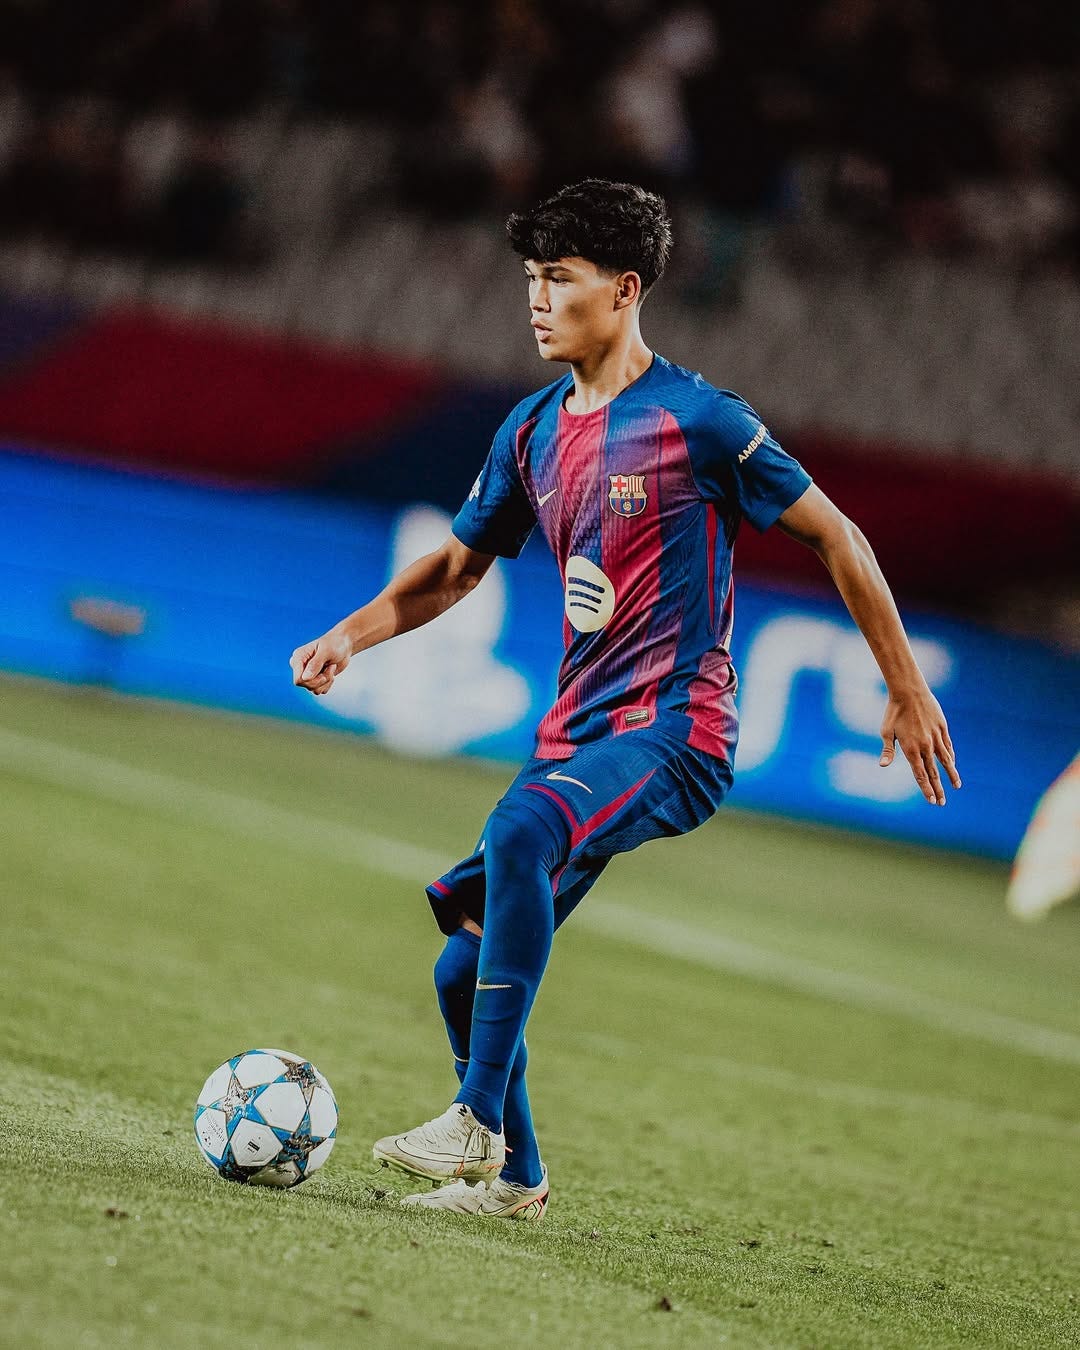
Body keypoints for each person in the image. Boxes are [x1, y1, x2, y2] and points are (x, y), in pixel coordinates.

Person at [289, 179, 961, 1221]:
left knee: (520, 832)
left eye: (559, 278)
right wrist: (350, 633)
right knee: (460, 976)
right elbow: (457, 569)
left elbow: (839, 534)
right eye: (530, 278)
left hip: (676, 733)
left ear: (626, 289)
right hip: (579, 736)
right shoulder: (531, 432)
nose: (537, 298)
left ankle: (475, 1120)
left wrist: (906, 686)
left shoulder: (704, 421)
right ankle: (517, 1184)